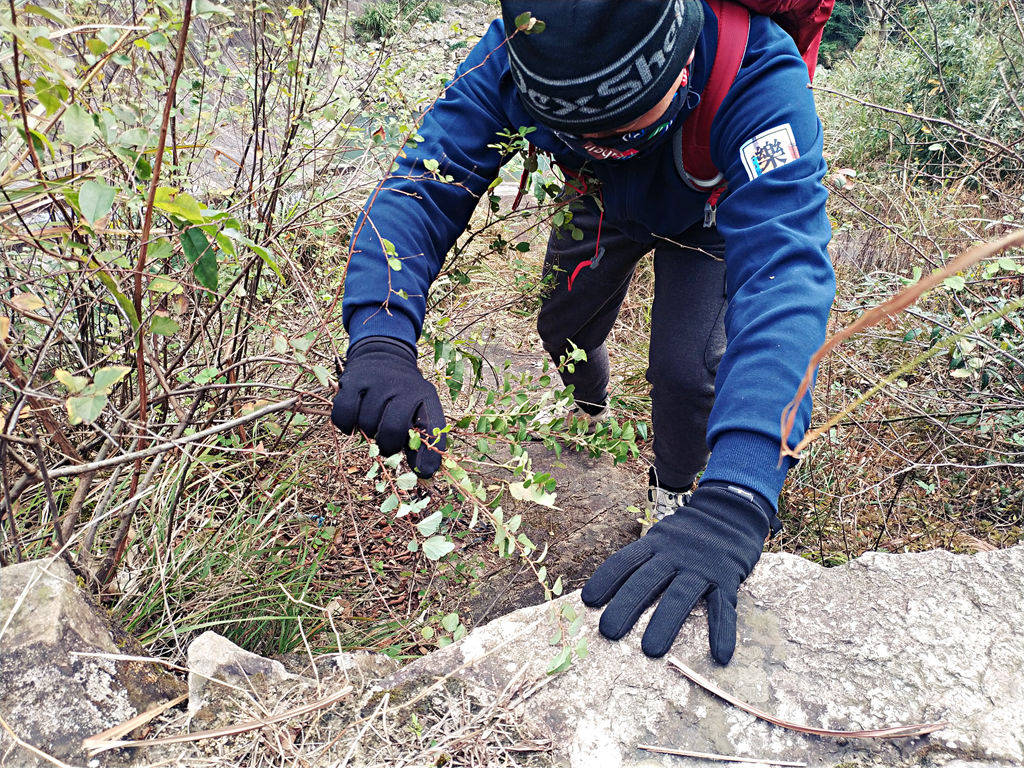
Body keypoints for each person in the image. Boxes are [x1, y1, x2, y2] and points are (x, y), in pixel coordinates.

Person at [331, 0, 835, 665]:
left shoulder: (756, 72)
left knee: (686, 373)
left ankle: (676, 492)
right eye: (578, 132)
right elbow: (424, 184)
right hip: (596, 201)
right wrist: (381, 333)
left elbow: (784, 274)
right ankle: (589, 396)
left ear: (684, 62)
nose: (603, 145)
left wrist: (739, 493)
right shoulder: (524, 45)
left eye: (623, 130)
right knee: (562, 327)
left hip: (711, 218)